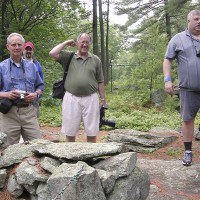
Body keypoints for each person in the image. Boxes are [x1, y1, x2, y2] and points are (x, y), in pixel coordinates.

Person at [49, 33, 106, 143]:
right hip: (71, 98)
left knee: (92, 131)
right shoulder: (68, 57)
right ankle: (70, 157)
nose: (84, 44)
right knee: (70, 131)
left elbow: (101, 81)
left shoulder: (95, 60)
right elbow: (52, 53)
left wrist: (103, 100)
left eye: (87, 42)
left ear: (90, 44)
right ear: (77, 43)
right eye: (82, 42)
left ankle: (91, 156)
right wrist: (66, 42)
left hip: (91, 98)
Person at [163, 10, 200, 166]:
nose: (199, 21)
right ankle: (188, 152)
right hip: (188, 89)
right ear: (188, 21)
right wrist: (167, 80)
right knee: (187, 119)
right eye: (196, 19)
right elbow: (167, 60)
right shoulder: (178, 39)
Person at [0, 33, 44, 146]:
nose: (17, 47)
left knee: (38, 146)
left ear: (23, 46)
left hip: (29, 112)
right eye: (13, 44)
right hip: (9, 113)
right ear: (8, 47)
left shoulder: (31, 66)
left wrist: (35, 94)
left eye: (19, 44)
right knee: (6, 149)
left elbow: (40, 86)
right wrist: (7, 95)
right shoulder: (2, 67)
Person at [23, 41, 44, 117]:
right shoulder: (18, 63)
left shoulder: (37, 64)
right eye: (26, 49)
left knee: (34, 118)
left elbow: (41, 81)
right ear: (23, 50)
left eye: (30, 49)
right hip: (20, 97)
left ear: (33, 51)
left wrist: (38, 95)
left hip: (34, 97)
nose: (28, 51)